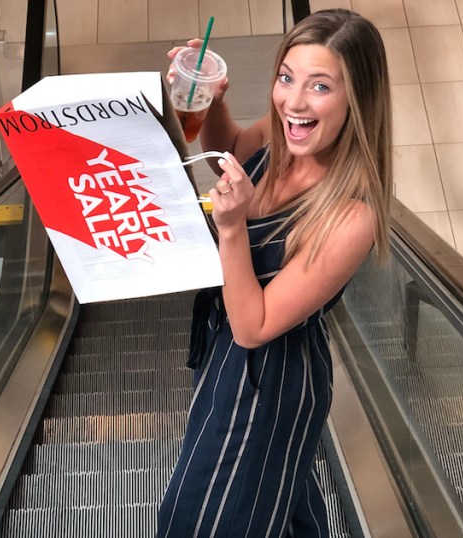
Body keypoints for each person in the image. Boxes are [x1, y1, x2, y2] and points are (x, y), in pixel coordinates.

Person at [157, 9, 393, 537]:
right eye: (287, 78)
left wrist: (234, 228)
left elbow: (254, 327)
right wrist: (213, 100)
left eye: (320, 87)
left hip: (268, 379)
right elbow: (235, 152)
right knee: (270, 497)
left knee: (196, 519)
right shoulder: (285, 134)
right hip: (229, 355)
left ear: (358, 98)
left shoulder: (352, 215)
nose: (294, 102)